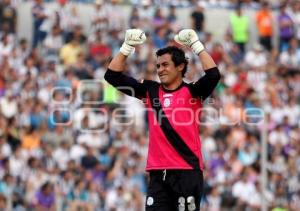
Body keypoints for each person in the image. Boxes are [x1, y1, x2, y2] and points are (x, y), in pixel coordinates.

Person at [104, 28, 221, 210]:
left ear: (180, 66)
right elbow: (112, 76)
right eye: (158, 66)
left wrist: (196, 45)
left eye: (165, 65)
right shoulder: (150, 90)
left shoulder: (193, 92)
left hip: (187, 171)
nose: (160, 70)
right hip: (158, 173)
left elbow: (213, 75)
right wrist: (126, 47)